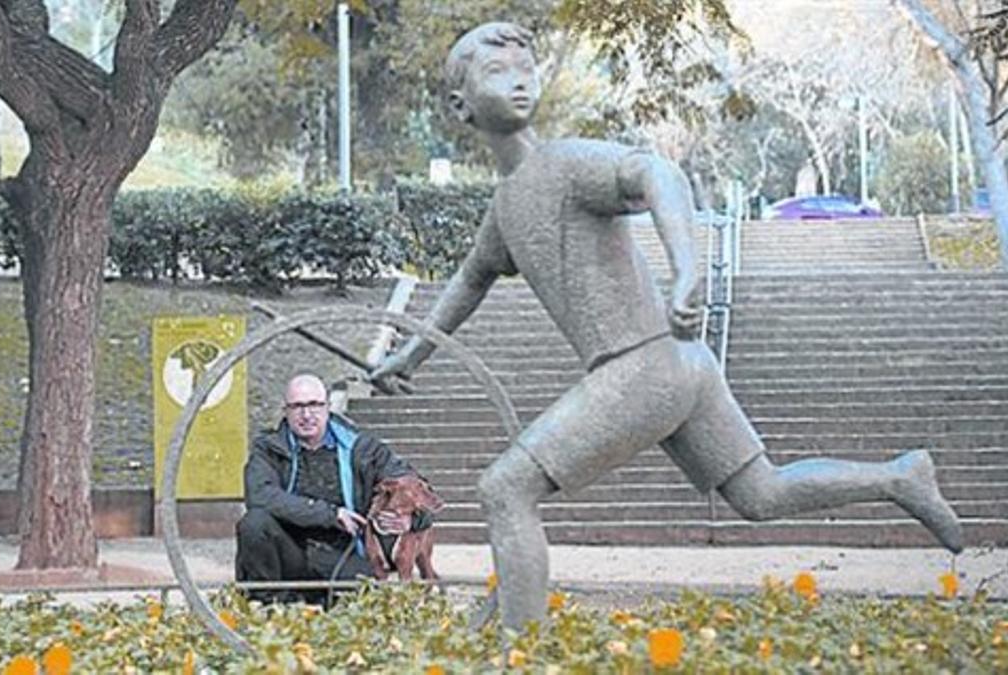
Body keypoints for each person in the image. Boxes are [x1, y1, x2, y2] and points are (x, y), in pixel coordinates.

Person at [371, 21, 963, 630]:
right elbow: (470, 281)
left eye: (527, 67)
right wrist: (408, 358)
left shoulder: (567, 164)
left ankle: (519, 653)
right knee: (761, 494)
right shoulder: (506, 207)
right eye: (498, 72)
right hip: (682, 366)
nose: (520, 80)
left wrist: (686, 271)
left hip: (643, 366)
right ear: (459, 104)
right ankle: (899, 477)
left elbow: (659, 174)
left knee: (506, 490)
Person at [235, 373, 427, 602]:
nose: (307, 415)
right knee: (254, 523)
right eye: (297, 406)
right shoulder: (268, 449)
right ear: (285, 410)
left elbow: (419, 489)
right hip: (286, 551)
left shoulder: (362, 448)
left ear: (328, 406)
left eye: (314, 405)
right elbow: (260, 496)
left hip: (342, 554)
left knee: (362, 601)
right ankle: (265, 607)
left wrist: (410, 519)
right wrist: (331, 514)